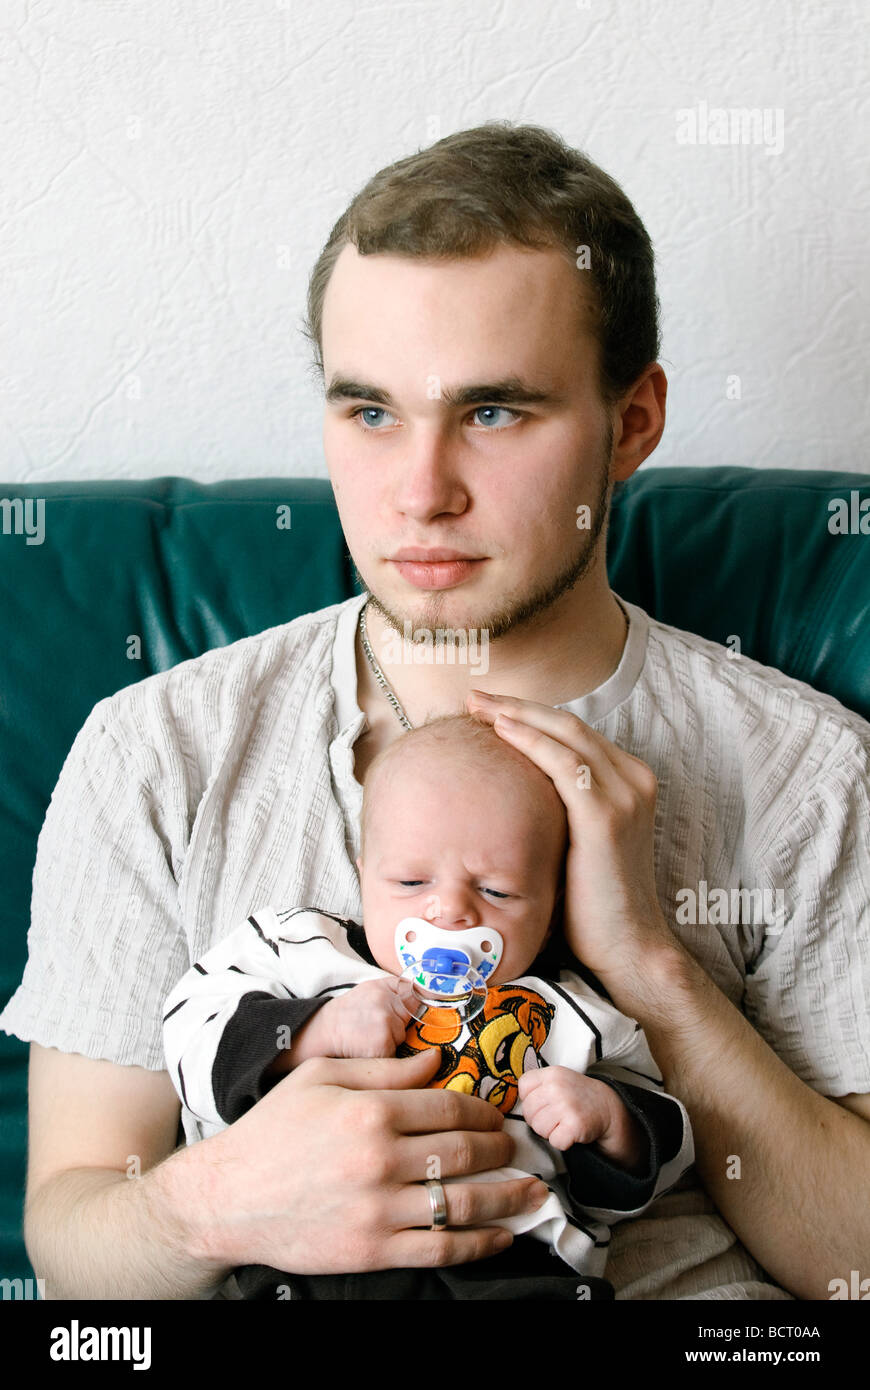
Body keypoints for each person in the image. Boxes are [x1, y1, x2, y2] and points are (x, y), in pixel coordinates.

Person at [4, 121, 869, 1302]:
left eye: (494, 413)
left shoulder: (810, 774)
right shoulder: (159, 753)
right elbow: (74, 1247)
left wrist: (653, 968)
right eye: (369, 413)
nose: (420, 491)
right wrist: (215, 1203)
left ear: (634, 424)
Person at [161, 713, 694, 1300]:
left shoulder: (566, 1012)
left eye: (496, 891)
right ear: (364, 877)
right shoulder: (308, 950)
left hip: (504, 1259)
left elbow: (669, 1155)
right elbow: (187, 1024)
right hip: (305, 1259)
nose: (450, 911)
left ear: (549, 912)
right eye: (412, 883)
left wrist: (611, 1120)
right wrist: (309, 1034)